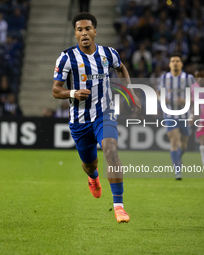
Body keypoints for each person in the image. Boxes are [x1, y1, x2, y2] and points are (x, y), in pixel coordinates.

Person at [52, 13, 141, 223]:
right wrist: (73, 93)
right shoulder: (66, 58)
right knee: (89, 166)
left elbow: (121, 68)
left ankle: (119, 206)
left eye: (88, 28)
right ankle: (93, 178)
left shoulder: (108, 54)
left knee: (110, 150)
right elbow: (56, 90)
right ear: (75, 33)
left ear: (95, 31)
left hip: (104, 113)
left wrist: (131, 92)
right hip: (79, 120)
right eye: (80, 29)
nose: (84, 32)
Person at [156, 53, 195, 180]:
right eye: (173, 60)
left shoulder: (189, 78)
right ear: (169, 64)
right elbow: (157, 92)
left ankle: (178, 158)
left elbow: (196, 95)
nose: (175, 63)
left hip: (185, 114)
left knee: (184, 144)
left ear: (181, 64)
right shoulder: (164, 78)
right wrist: (162, 98)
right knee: (174, 140)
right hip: (169, 113)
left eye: (178, 60)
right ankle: (178, 171)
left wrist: (186, 102)